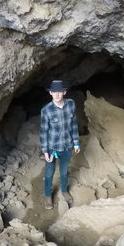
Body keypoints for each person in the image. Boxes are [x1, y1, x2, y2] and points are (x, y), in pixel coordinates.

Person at [39, 79, 81, 210]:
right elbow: (43, 132)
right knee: (49, 173)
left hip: (67, 146)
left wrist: (76, 143)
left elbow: (74, 124)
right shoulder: (46, 110)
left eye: (59, 92)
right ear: (50, 93)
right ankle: (47, 196)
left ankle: (64, 191)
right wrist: (45, 151)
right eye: (54, 92)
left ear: (64, 92)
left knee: (64, 172)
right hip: (52, 148)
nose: (57, 95)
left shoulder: (71, 104)